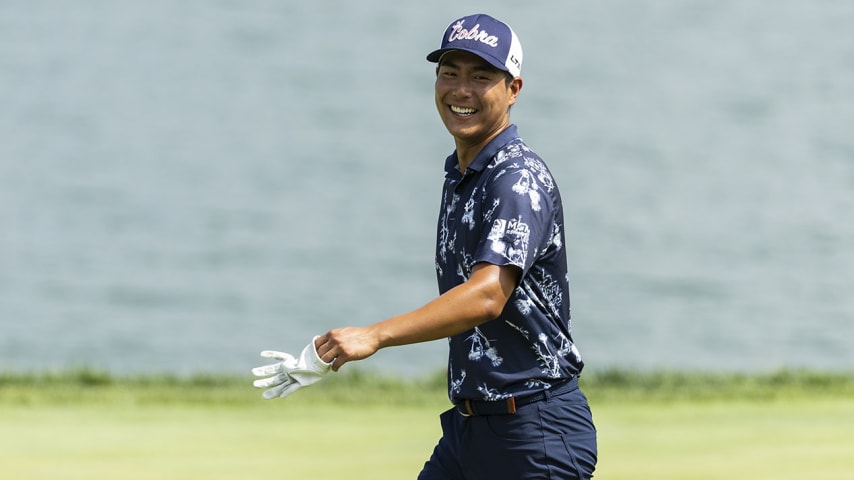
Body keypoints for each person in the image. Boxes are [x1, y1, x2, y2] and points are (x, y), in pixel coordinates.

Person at [254, 13, 597, 479]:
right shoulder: (462, 175)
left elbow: (487, 295)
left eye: (481, 76)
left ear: (513, 89)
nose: (461, 89)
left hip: (534, 432)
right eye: (449, 72)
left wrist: (373, 335)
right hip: (470, 431)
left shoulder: (516, 179)